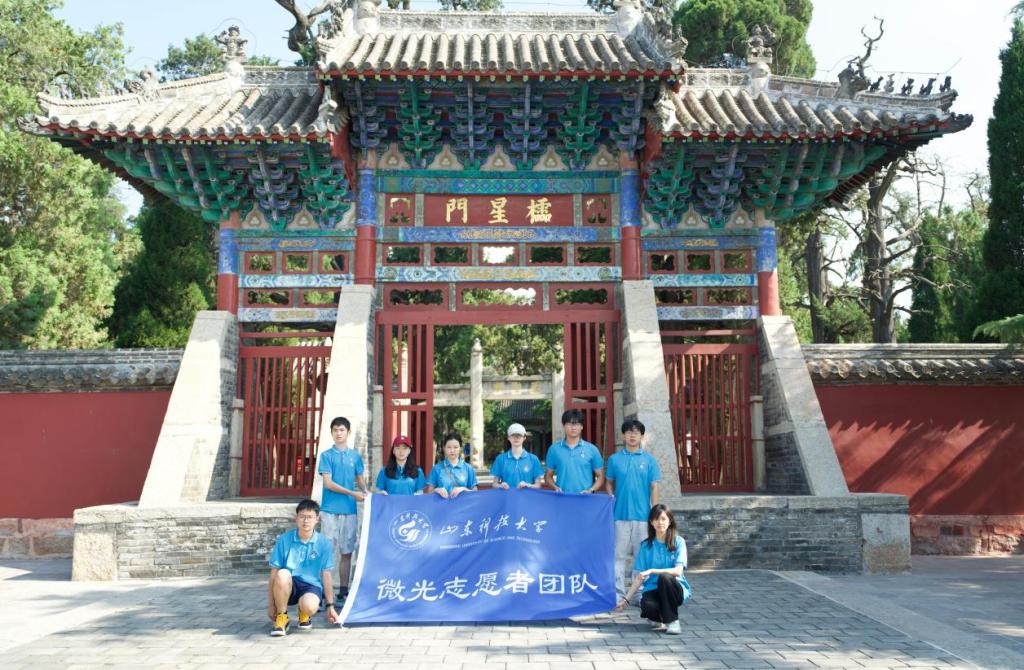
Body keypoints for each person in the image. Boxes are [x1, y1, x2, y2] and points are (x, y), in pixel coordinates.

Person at [614, 504, 692, 635]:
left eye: (663, 519)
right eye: (656, 519)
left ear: (670, 521)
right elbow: (639, 577)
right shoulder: (646, 546)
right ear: (651, 522)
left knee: (665, 578)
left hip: (673, 588)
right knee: (648, 607)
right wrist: (626, 599)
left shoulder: (679, 542)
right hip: (653, 589)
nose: (660, 522)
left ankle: (673, 621)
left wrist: (652, 571)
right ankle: (658, 617)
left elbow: (678, 571)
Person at [605, 419, 661, 600]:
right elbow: (609, 482)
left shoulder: (649, 460)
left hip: (643, 517)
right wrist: (611, 497)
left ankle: (639, 595)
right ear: (623, 435)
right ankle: (618, 594)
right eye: (629, 432)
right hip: (619, 515)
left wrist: (655, 512)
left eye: (636, 432)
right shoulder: (614, 459)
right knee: (618, 556)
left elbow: (654, 486)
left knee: (641, 557)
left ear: (642, 436)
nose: (632, 435)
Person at [267, 499, 338, 637]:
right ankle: (282, 616)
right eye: (302, 516)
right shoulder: (284, 540)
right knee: (282, 573)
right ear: (296, 518)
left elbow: (326, 575)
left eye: (310, 517)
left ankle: (304, 613)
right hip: (289, 584)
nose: (306, 521)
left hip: (311, 585)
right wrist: (271, 605)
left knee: (310, 607)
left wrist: (330, 606)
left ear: (317, 519)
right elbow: (273, 573)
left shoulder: (323, 543)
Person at [317, 416, 368, 605]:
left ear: (348, 432)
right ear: (331, 433)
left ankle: (343, 591)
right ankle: (323, 593)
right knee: (327, 553)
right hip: (329, 510)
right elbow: (328, 484)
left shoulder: (355, 456)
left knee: (347, 552)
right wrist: (353, 493)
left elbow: (360, 480)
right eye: (335, 430)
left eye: (342, 430)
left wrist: (367, 493)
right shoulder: (326, 456)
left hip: (350, 511)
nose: (338, 433)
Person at [544, 409, 605, 494]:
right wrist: (555, 487)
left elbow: (601, 476)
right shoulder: (554, 449)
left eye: (577, 424)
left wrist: (591, 490)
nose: (573, 427)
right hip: (562, 497)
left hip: (585, 498)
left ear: (582, 426)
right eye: (569, 424)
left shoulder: (592, 449)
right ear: (564, 426)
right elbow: (548, 476)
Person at [491, 423, 544, 489]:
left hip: (528, 495)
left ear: (524, 438)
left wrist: (528, 485)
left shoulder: (533, 459)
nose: (516, 438)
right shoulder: (500, 459)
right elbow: (494, 484)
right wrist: (501, 486)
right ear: (508, 437)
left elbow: (538, 485)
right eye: (513, 435)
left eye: (519, 435)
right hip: (507, 495)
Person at [426, 431, 478, 498]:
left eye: (455, 447)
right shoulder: (437, 468)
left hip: (463, 504)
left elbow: (475, 492)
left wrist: (463, 489)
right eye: (449, 447)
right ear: (444, 448)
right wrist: (437, 490)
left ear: (460, 448)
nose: (452, 450)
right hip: (442, 504)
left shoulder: (468, 468)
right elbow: (429, 492)